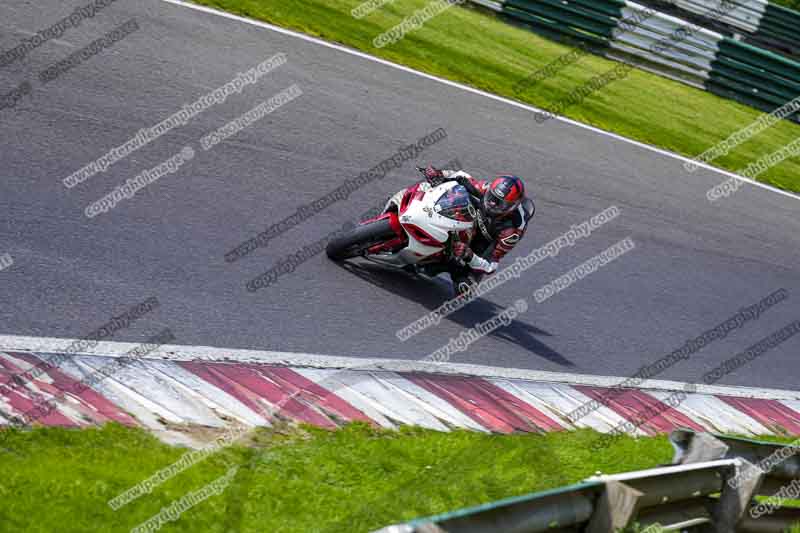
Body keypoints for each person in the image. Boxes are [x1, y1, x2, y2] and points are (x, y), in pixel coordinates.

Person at [419, 165, 535, 295]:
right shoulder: (487, 190)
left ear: (512, 207)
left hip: (482, 245)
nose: (491, 204)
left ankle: (445, 262)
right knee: (448, 192)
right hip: (471, 223)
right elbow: (462, 177)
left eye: (499, 203)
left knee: (465, 289)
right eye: (492, 198)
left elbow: (491, 266)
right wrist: (440, 174)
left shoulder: (512, 230)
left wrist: (470, 256)